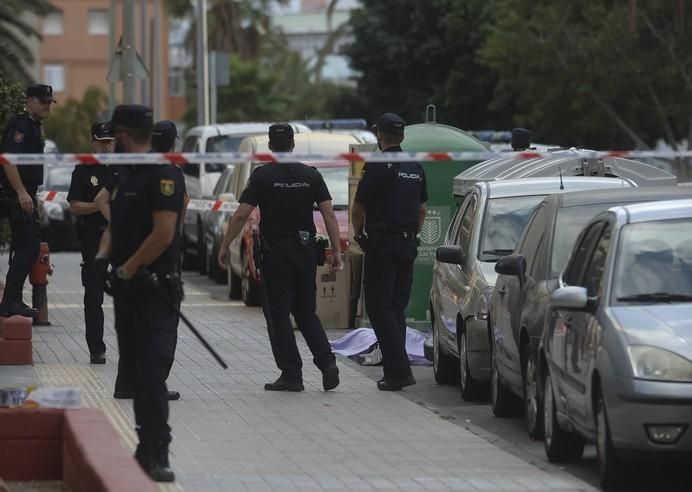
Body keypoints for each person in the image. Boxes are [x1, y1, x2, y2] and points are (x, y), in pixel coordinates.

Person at [95, 104, 183, 482]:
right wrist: (102, 260)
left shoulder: (162, 176)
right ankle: (145, 444)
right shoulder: (123, 177)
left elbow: (163, 233)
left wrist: (129, 268)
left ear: (126, 136)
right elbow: (116, 227)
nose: (111, 142)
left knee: (149, 374)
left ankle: (159, 452)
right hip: (126, 291)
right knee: (133, 373)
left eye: (115, 136)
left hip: (153, 290)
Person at [218, 123, 341, 392]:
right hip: (306, 251)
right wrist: (337, 251)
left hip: (277, 255)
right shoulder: (311, 175)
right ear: (293, 145)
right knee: (307, 312)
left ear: (271, 147)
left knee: (279, 315)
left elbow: (241, 214)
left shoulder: (263, 176)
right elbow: (329, 215)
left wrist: (226, 245)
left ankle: (291, 374)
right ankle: (327, 362)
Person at [351, 112, 428, 391]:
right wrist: (411, 235)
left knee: (379, 308)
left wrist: (360, 235)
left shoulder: (378, 164)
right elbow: (421, 210)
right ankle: (397, 369)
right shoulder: (415, 166)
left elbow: (358, 208)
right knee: (396, 308)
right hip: (408, 244)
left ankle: (398, 371)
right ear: (402, 136)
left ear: (380, 136)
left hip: (383, 244)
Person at [0, 84, 56, 317]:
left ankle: (12, 299)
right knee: (29, 245)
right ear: (29, 101)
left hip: (25, 193)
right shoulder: (21, 125)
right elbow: (8, 160)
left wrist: (32, 195)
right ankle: (10, 300)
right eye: (42, 101)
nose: (46, 106)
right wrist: (22, 192)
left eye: (49, 102)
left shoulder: (32, 126)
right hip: (16, 194)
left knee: (27, 245)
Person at [67, 122, 114, 364]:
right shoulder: (84, 170)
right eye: (102, 141)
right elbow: (74, 205)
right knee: (94, 295)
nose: (107, 146)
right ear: (93, 142)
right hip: (94, 237)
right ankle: (97, 348)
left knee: (133, 291)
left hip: (121, 237)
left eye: (110, 141)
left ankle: (135, 345)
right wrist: (100, 205)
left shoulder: (125, 169)